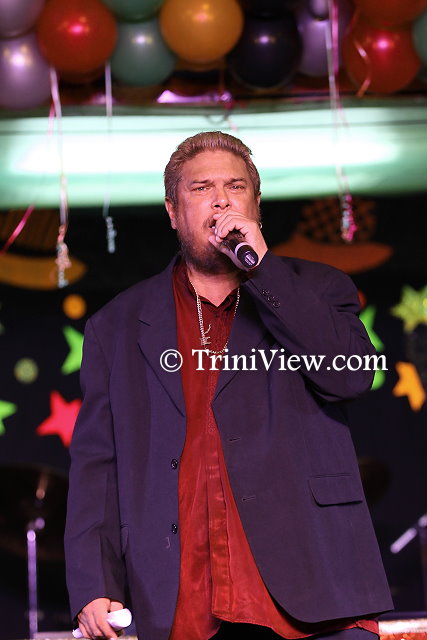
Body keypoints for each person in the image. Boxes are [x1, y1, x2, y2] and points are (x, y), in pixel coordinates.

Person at [64, 131, 393, 640]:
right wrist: (94, 582)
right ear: (173, 212)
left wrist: (264, 271)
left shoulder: (319, 288)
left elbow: (349, 376)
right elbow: (97, 465)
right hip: (184, 597)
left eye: (235, 187)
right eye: (201, 188)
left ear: (256, 204)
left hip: (316, 589)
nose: (220, 200)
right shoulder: (116, 326)